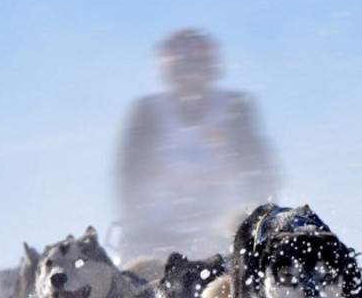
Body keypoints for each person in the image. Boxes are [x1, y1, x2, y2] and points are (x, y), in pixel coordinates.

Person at [114, 28, 279, 259]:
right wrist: (136, 224)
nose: (191, 78)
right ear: (169, 73)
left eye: (198, 69)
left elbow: (262, 172)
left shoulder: (235, 108)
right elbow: (127, 177)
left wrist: (262, 220)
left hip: (227, 226)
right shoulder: (148, 112)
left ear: (210, 71)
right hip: (159, 229)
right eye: (182, 70)